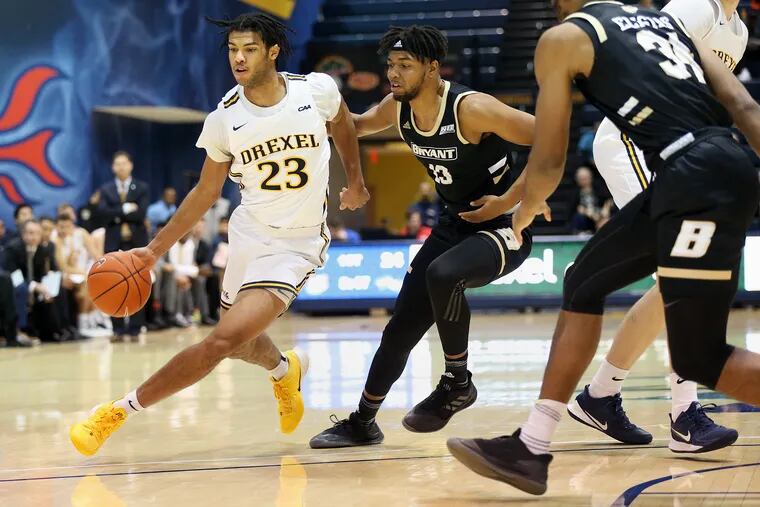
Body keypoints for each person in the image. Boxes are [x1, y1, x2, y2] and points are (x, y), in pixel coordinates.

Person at [446, 0, 760, 495]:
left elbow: (550, 157)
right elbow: (745, 107)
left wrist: (521, 209)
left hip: (689, 171)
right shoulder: (664, 20)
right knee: (584, 281)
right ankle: (532, 444)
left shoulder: (564, 38)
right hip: (718, 165)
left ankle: (588, 421)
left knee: (699, 354)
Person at [69, 12, 369, 456]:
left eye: (249, 49)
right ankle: (284, 370)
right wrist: (152, 252)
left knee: (221, 341)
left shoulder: (316, 90)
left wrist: (356, 181)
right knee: (238, 343)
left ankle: (116, 411)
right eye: (232, 50)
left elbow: (343, 123)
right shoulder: (225, 117)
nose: (238, 59)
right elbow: (206, 192)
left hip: (296, 244)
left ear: (273, 51)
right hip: (249, 235)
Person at [310, 25, 538, 449]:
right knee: (401, 327)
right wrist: (311, 109)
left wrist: (511, 200)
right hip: (454, 224)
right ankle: (363, 422)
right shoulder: (396, 109)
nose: (393, 74)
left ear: (432, 68)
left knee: (443, 273)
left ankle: (458, 382)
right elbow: (352, 126)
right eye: (390, 65)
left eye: (405, 65)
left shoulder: (472, 108)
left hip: (504, 226)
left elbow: (549, 138)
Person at [569, 0, 747, 453]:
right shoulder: (695, 6)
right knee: (685, 274)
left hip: (681, 147)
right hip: (636, 140)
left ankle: (600, 396)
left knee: (674, 280)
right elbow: (641, 64)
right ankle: (683, 414)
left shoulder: (738, 32)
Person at [97, 151, 150, 341]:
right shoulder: (106, 189)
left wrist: (116, 214)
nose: (121, 167)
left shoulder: (141, 187)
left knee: (137, 283)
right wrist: (126, 209)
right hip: (114, 242)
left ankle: (135, 327)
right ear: (113, 167)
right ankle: (117, 329)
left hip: (135, 242)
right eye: (117, 164)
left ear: (131, 165)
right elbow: (102, 213)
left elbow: (141, 214)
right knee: (112, 283)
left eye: (124, 163)